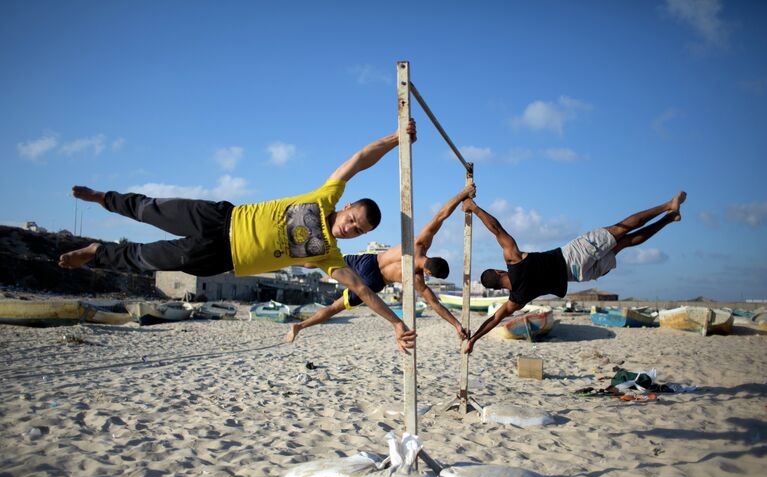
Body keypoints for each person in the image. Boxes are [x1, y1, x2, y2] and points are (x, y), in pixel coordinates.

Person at [58, 121, 419, 352]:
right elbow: (358, 159)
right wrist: (395, 138)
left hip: (222, 259)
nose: (350, 228)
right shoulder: (324, 196)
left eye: (359, 231)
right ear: (348, 206)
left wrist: (397, 323)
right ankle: (102, 198)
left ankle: (97, 251)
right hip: (219, 218)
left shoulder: (329, 255)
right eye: (353, 219)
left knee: (147, 257)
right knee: (151, 208)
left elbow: (363, 291)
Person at [462, 191, 687, 353]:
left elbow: (494, 319)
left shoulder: (517, 299)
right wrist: (475, 208)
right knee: (621, 229)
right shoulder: (514, 259)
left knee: (625, 244)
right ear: (500, 271)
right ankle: (667, 206)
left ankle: (669, 219)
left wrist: (473, 339)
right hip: (573, 255)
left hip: (579, 275)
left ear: (498, 288)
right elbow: (496, 228)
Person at [286, 183, 477, 344]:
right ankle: (300, 326)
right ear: (429, 271)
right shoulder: (416, 278)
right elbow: (435, 303)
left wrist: (462, 194)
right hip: (374, 281)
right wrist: (456, 324)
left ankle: (286, 260)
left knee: (322, 261)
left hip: (368, 261)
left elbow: (441, 216)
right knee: (335, 308)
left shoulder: (419, 244)